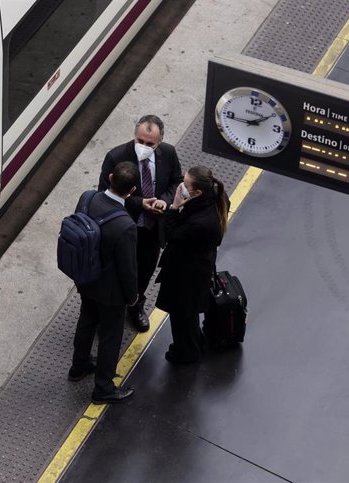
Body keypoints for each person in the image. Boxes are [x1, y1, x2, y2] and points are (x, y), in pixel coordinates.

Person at [98, 115, 182, 332]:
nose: (143, 147)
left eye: (150, 144)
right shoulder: (116, 157)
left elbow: (176, 181)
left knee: (145, 269)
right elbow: (105, 195)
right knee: (116, 271)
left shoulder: (169, 154)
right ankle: (107, 311)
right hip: (124, 228)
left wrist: (163, 201)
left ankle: (136, 306)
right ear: (134, 136)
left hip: (152, 229)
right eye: (140, 142)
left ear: (160, 141)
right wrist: (140, 203)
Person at [69, 161, 140, 404]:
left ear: (110, 178)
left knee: (86, 320)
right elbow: (128, 269)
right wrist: (133, 297)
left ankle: (78, 367)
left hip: (84, 277)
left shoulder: (87, 198)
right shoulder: (126, 226)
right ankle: (103, 388)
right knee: (110, 337)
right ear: (132, 191)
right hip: (110, 292)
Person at [155, 166, 229, 364]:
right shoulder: (216, 199)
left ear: (197, 192)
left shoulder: (200, 223)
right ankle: (194, 342)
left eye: (185, 185)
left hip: (186, 276)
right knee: (188, 315)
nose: (181, 187)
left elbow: (171, 236)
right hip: (198, 270)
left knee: (181, 317)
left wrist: (175, 207)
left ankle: (185, 353)